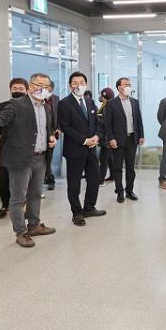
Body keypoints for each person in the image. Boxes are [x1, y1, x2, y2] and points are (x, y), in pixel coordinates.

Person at [0, 73, 57, 248]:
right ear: (30, 86)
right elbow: (2, 118)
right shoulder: (16, 104)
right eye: (39, 85)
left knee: (35, 195)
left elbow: (47, 129)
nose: (42, 89)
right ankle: (21, 232)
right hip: (20, 159)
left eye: (46, 86)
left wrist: (51, 137)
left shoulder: (46, 108)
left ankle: (34, 225)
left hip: (40, 158)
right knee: (18, 198)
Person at [57, 72, 107, 226]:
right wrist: (84, 140)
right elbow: (65, 127)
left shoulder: (90, 102)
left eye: (82, 82)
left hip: (91, 148)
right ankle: (77, 212)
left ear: (86, 84)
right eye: (75, 82)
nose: (78, 85)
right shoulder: (64, 103)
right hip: (75, 149)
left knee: (94, 179)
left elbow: (97, 123)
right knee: (74, 184)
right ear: (70, 85)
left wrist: (97, 137)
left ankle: (89, 207)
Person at [104, 77, 144, 203]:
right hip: (117, 140)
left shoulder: (135, 102)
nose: (128, 87)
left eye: (129, 85)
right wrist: (111, 138)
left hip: (132, 139)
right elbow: (107, 124)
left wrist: (141, 135)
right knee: (117, 168)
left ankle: (129, 191)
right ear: (119, 88)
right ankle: (119, 191)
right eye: (126, 85)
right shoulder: (111, 103)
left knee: (130, 168)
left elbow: (138, 120)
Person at [0, 78, 28, 218]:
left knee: (23, 180)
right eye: (15, 88)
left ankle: (22, 206)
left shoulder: (31, 106)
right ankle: (5, 205)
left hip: (25, 149)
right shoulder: (2, 106)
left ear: (26, 90)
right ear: (10, 90)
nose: (17, 91)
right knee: (3, 178)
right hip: (6, 147)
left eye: (21, 89)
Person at [44, 80, 60, 192]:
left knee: (48, 158)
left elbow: (59, 115)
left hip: (52, 133)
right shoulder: (37, 98)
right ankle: (48, 177)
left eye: (47, 86)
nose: (45, 88)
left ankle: (50, 179)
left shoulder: (56, 99)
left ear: (52, 88)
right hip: (38, 133)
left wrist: (59, 128)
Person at [97, 87, 116, 185]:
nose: (101, 98)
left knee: (103, 159)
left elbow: (106, 123)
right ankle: (113, 176)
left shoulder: (108, 107)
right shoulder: (107, 105)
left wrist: (97, 119)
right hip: (108, 137)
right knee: (109, 158)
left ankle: (100, 181)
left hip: (107, 138)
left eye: (103, 97)